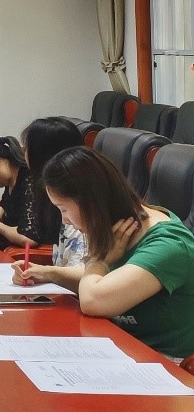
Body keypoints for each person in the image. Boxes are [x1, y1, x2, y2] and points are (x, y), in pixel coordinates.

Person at [14, 147, 194, 360]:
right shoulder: (121, 226)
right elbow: (102, 281)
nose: (64, 220)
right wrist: (47, 273)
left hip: (164, 361)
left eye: (64, 209)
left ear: (91, 202)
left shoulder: (168, 245)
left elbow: (93, 300)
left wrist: (97, 260)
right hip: (120, 343)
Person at [22, 117, 88, 266]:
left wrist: (46, 272)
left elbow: (82, 272)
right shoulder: (55, 195)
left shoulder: (78, 207)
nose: (23, 154)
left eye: (26, 149)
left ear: (39, 154)